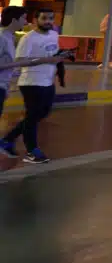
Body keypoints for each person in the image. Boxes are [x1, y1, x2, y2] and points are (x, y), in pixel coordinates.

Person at [0, 9, 68, 164]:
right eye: (44, 18)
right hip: (31, 82)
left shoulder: (54, 35)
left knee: (41, 114)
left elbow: (53, 53)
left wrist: (60, 57)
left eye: (51, 18)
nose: (48, 21)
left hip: (47, 81)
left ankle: (7, 140)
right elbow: (20, 60)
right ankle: (32, 150)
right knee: (32, 116)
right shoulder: (27, 39)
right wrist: (45, 60)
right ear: (36, 19)